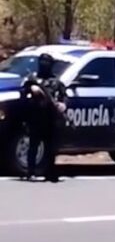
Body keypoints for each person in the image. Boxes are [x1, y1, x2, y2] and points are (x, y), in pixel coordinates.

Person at [22, 53, 67, 182]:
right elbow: (23, 94)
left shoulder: (56, 81)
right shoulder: (32, 79)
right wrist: (32, 88)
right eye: (42, 62)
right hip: (35, 118)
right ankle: (30, 172)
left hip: (50, 118)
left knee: (50, 148)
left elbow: (64, 96)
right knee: (33, 147)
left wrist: (63, 104)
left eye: (47, 62)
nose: (44, 65)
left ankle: (50, 172)